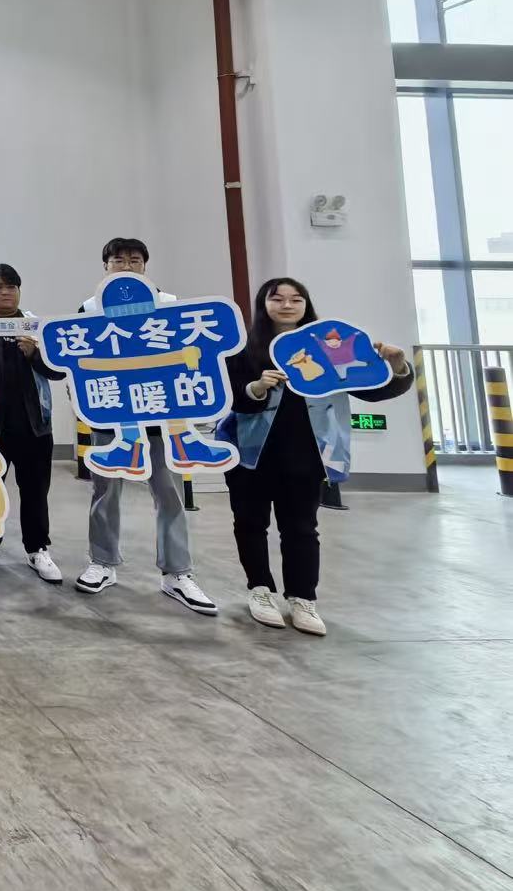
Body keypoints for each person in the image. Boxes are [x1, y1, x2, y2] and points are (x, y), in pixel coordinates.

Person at [221, 278, 412, 636]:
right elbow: (231, 398)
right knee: (250, 523)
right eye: (277, 299)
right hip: (250, 452)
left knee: (301, 528)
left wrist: (398, 366)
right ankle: (260, 589)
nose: (287, 305)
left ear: (306, 305)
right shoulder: (244, 350)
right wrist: (257, 387)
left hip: (309, 452)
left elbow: (372, 389)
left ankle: (302, 598)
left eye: (296, 299)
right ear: (263, 305)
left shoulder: (328, 348)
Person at [73, 238, 219, 616]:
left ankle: (177, 573)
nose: (126, 267)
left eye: (134, 261)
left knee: (170, 495)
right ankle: (102, 562)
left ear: (145, 266)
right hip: (112, 418)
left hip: (162, 420)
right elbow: (78, 363)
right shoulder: (89, 309)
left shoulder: (170, 304)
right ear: (105, 267)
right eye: (117, 261)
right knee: (105, 492)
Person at [0, 263, 66, 584]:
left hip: (34, 425)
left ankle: (37, 548)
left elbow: (59, 371)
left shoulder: (37, 327)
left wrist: (35, 355)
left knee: (35, 491)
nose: (6, 293)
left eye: (11, 287)